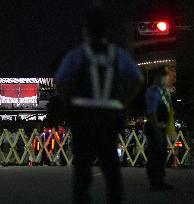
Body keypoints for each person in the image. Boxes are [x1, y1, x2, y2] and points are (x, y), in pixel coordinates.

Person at [56, 8, 143, 204]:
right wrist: (123, 102)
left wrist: (69, 101)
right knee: (111, 165)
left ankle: (82, 199)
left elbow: (60, 81)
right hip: (109, 115)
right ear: (107, 31)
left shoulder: (78, 54)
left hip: (83, 114)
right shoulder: (117, 54)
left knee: (82, 167)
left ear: (85, 30)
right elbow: (137, 79)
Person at [144, 66, 175, 191]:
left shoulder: (164, 91)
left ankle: (159, 180)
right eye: (171, 76)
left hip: (160, 127)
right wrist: (157, 130)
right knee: (155, 155)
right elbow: (152, 112)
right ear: (162, 77)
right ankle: (155, 182)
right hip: (154, 127)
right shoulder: (154, 90)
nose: (173, 79)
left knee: (161, 155)